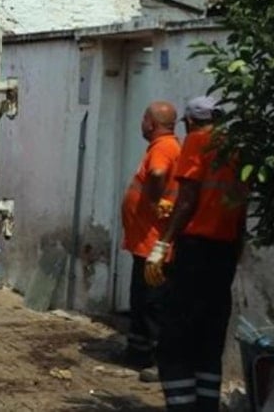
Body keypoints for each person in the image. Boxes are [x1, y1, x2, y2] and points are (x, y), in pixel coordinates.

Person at [146, 96, 248, 412]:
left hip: (195, 252)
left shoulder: (198, 140)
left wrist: (163, 244)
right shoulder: (237, 147)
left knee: (174, 341)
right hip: (224, 252)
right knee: (209, 340)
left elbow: (188, 198)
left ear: (190, 122)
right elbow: (242, 208)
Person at [119, 101, 180, 379]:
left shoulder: (163, 148)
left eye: (144, 119)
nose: (141, 124)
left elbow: (156, 173)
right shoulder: (164, 146)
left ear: (151, 124)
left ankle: (159, 360)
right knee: (141, 299)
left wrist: (156, 201)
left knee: (154, 303)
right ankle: (137, 352)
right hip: (144, 241)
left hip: (154, 243)